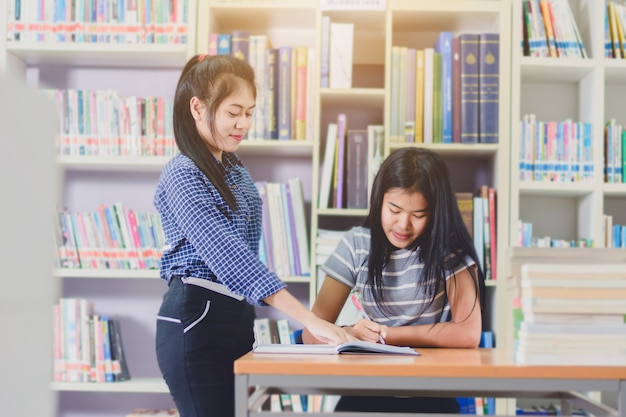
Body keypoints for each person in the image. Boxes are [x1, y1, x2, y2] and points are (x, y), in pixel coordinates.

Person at [153, 54, 353, 417]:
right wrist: (308, 318)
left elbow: (246, 251)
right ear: (197, 108)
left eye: (249, 112)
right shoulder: (182, 173)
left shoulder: (235, 170)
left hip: (236, 317)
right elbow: (231, 258)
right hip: (195, 316)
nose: (243, 123)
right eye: (233, 112)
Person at [303, 147, 486, 414]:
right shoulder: (357, 244)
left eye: (419, 215)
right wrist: (350, 334)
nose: (403, 224)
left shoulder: (449, 251)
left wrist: (385, 336)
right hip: (365, 393)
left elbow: (468, 333)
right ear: (379, 200)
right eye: (394, 209)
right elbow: (312, 330)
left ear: (436, 212)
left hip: (432, 395)